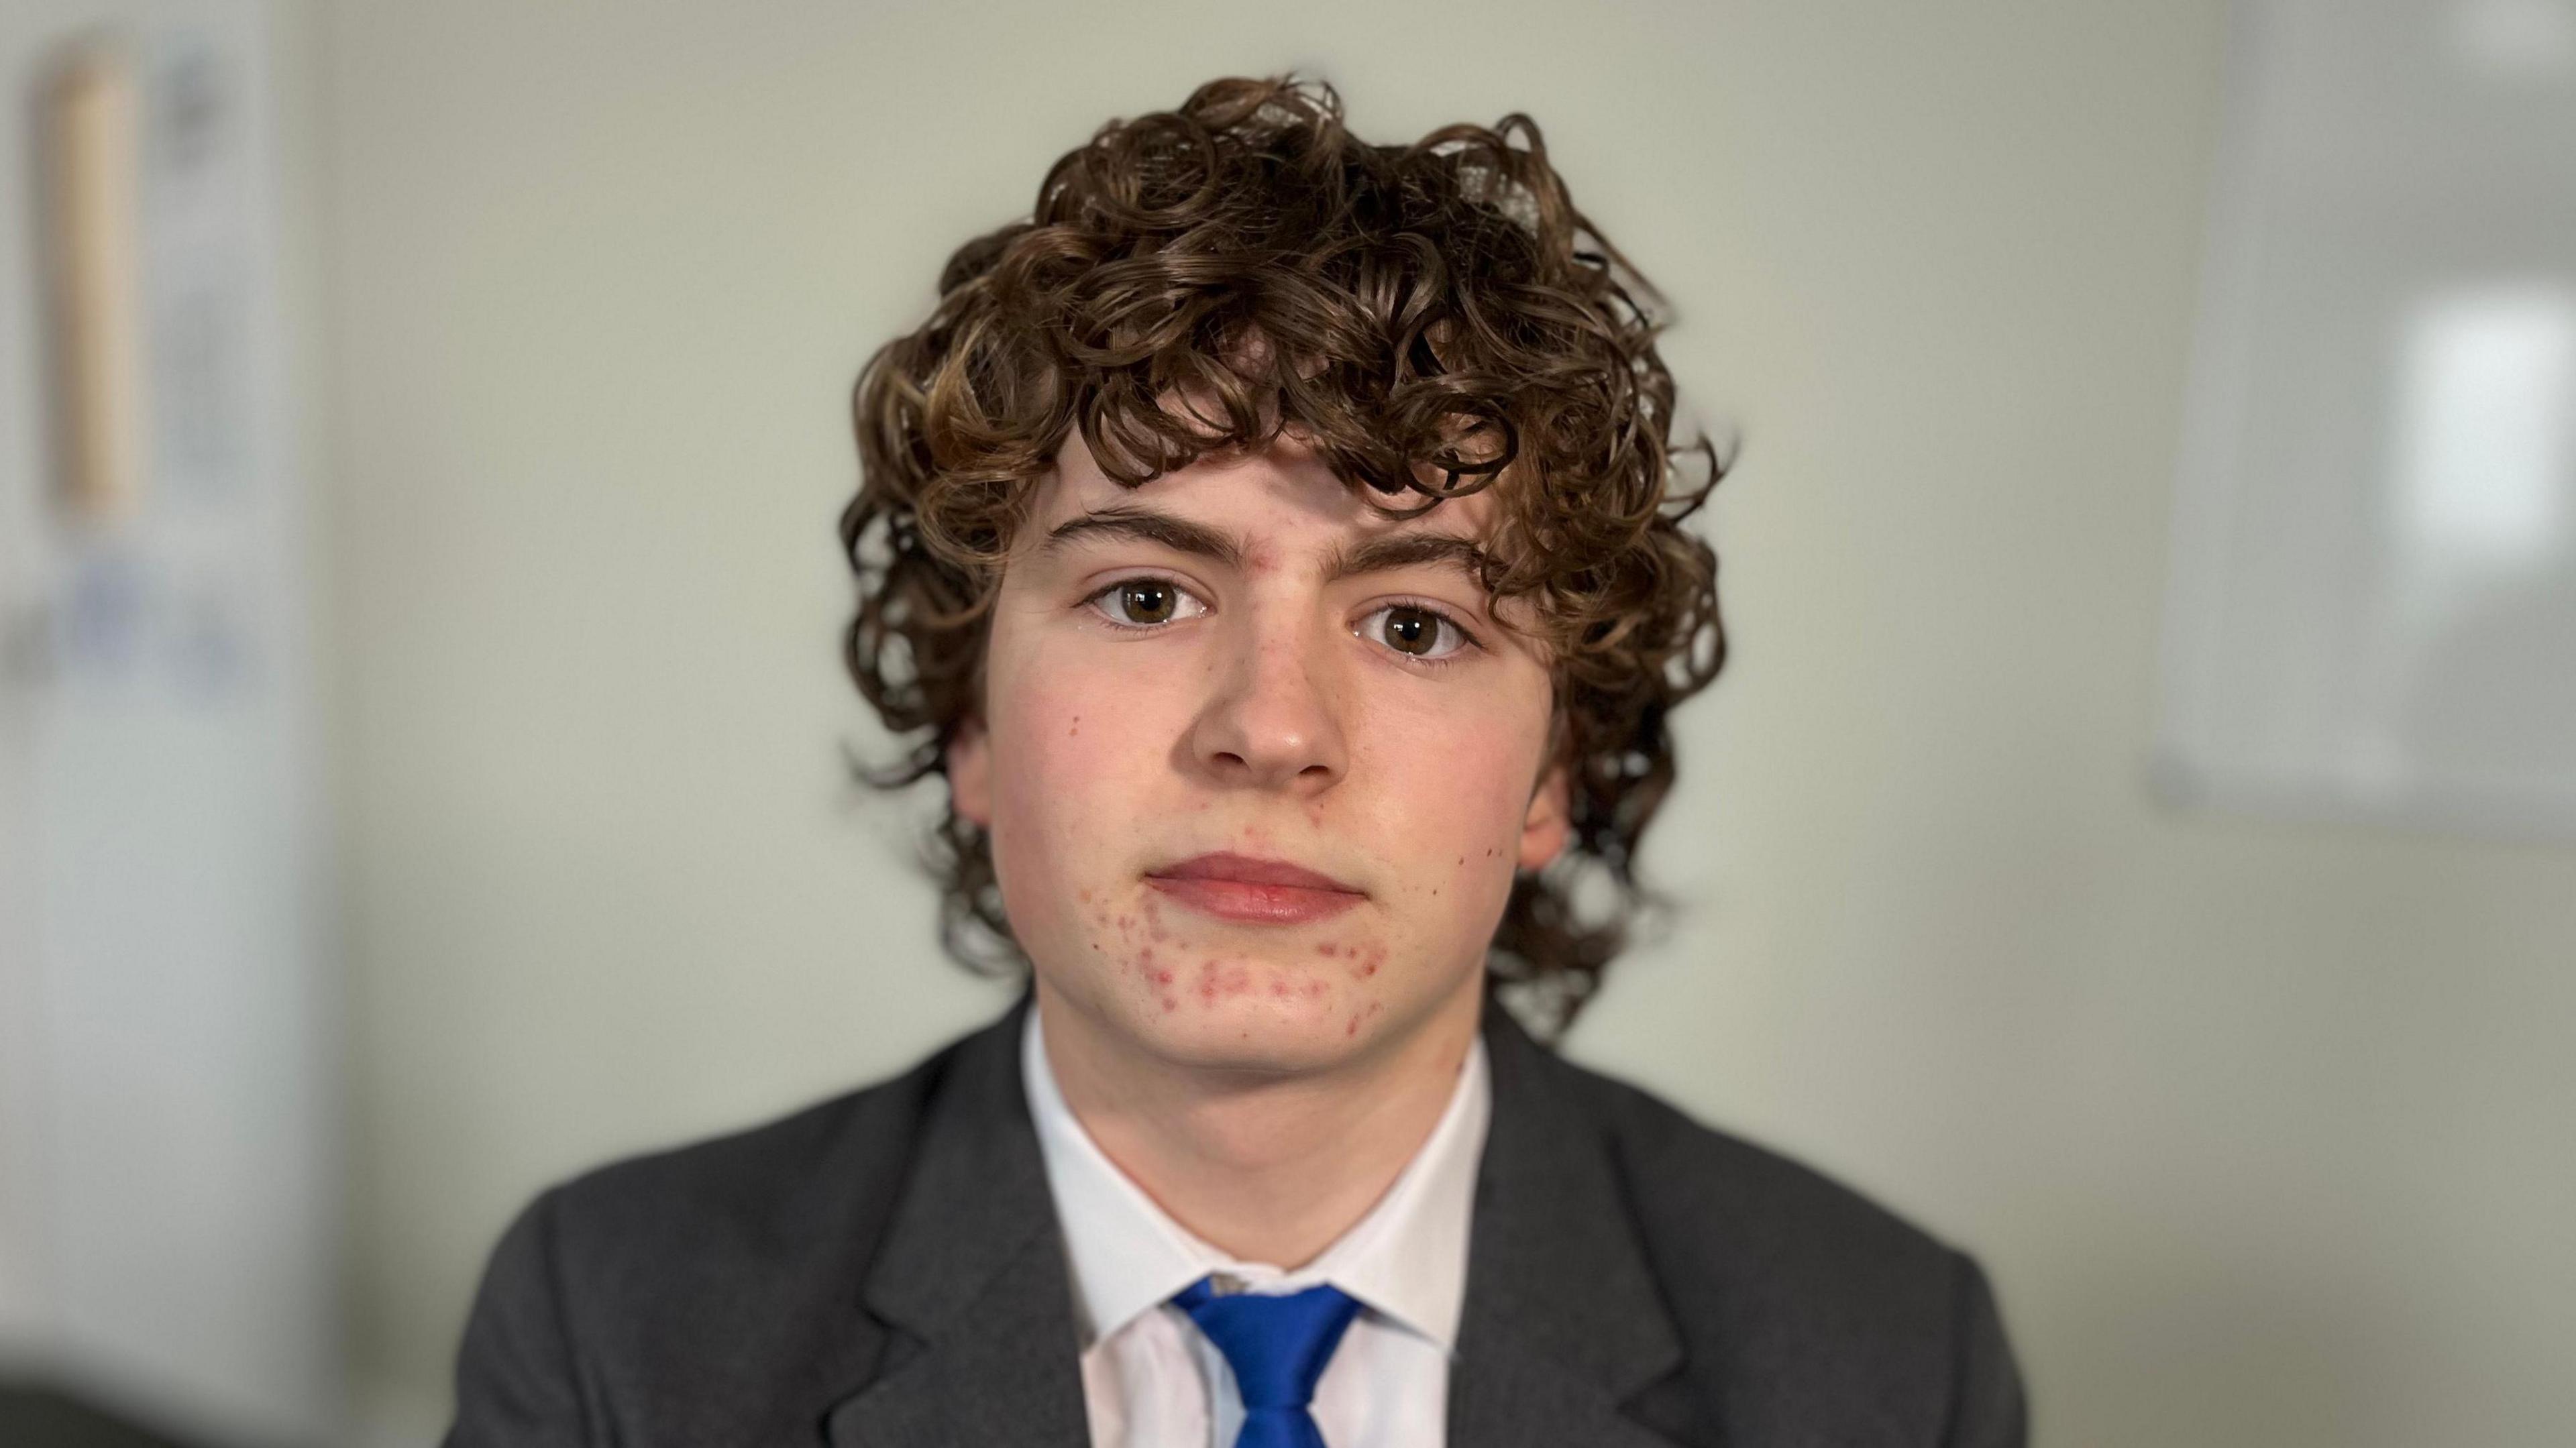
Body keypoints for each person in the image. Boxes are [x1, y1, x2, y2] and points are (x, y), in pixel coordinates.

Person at [443, 76, 2026, 1448]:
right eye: (1147, 595)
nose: (1269, 729)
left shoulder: (1883, 1358)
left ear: (1555, 772)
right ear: (971, 721)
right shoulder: (621, 1329)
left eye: (1414, 626)